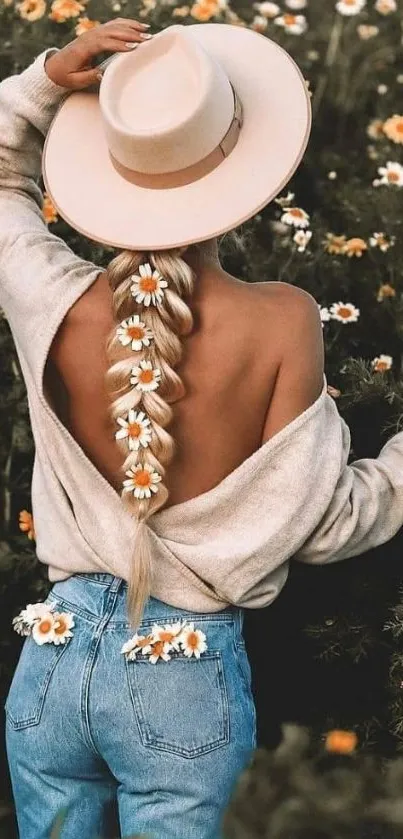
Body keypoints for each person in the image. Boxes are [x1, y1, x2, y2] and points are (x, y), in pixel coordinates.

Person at [2, 18, 403, 839]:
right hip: (181, 678)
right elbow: (322, 520)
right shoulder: (283, 320)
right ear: (240, 167)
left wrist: (47, 77)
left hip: (48, 656)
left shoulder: (53, 300)